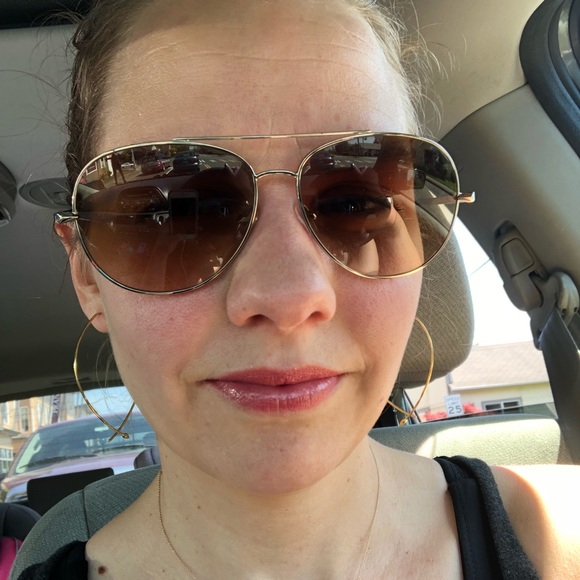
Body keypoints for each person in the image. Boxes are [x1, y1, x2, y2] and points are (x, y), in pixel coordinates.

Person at [16, 0, 580, 578]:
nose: (290, 297)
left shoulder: (562, 539)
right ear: (86, 273)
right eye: (179, 213)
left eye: (354, 202)